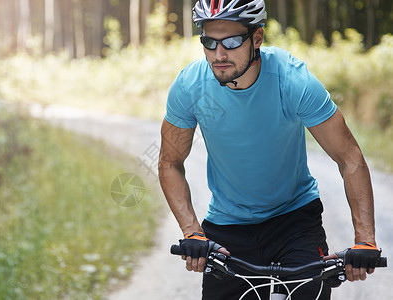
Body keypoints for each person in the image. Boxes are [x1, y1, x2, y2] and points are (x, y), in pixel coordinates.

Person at [157, 0, 382, 299]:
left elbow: (349, 157)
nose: (219, 54)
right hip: (227, 227)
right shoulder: (190, 86)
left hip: (295, 220)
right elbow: (169, 162)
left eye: (232, 41)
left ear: (257, 39)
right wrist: (192, 232)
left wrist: (364, 240)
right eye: (209, 42)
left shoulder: (292, 80)